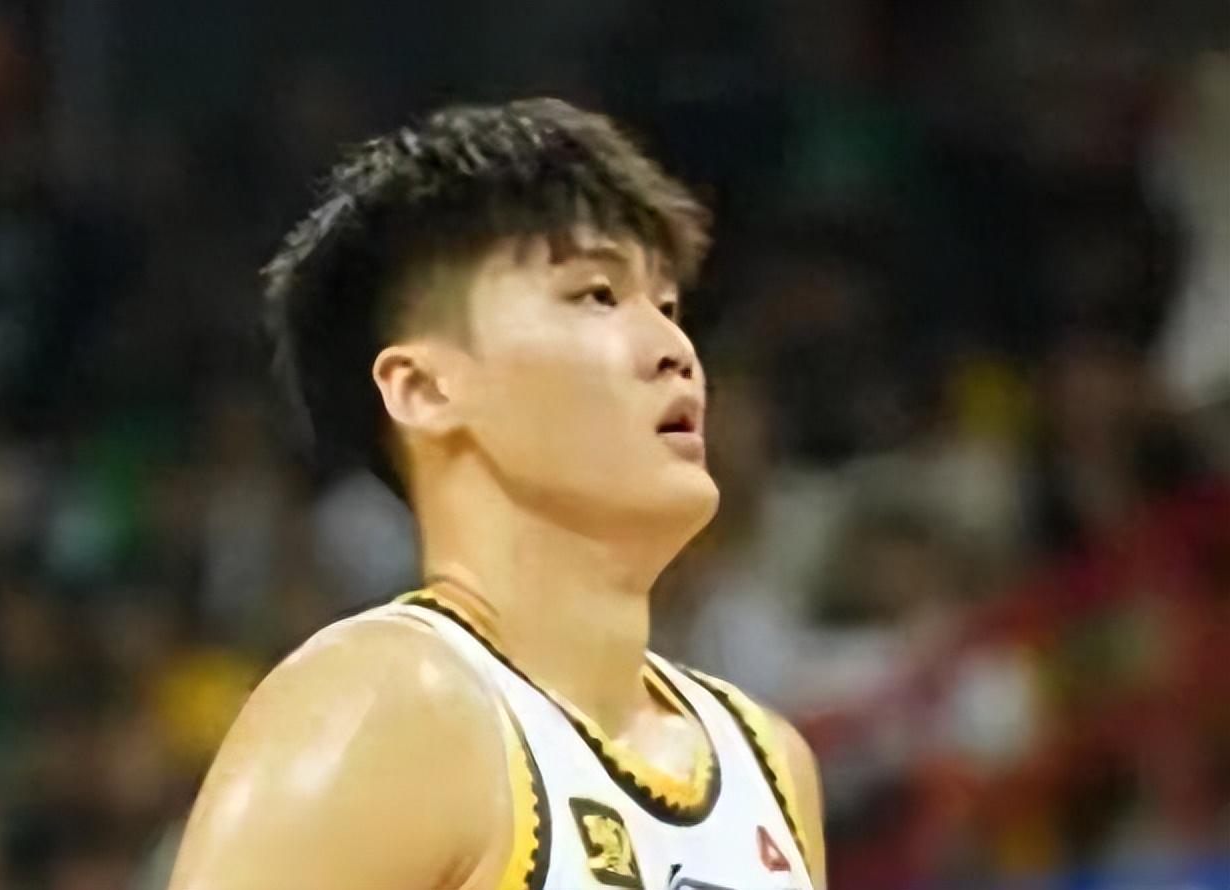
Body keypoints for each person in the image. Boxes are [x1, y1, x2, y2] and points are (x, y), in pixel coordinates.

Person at [168, 98, 826, 890]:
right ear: (424, 389)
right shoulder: (385, 710)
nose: (674, 349)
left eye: (668, 307)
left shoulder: (769, 764)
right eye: (597, 295)